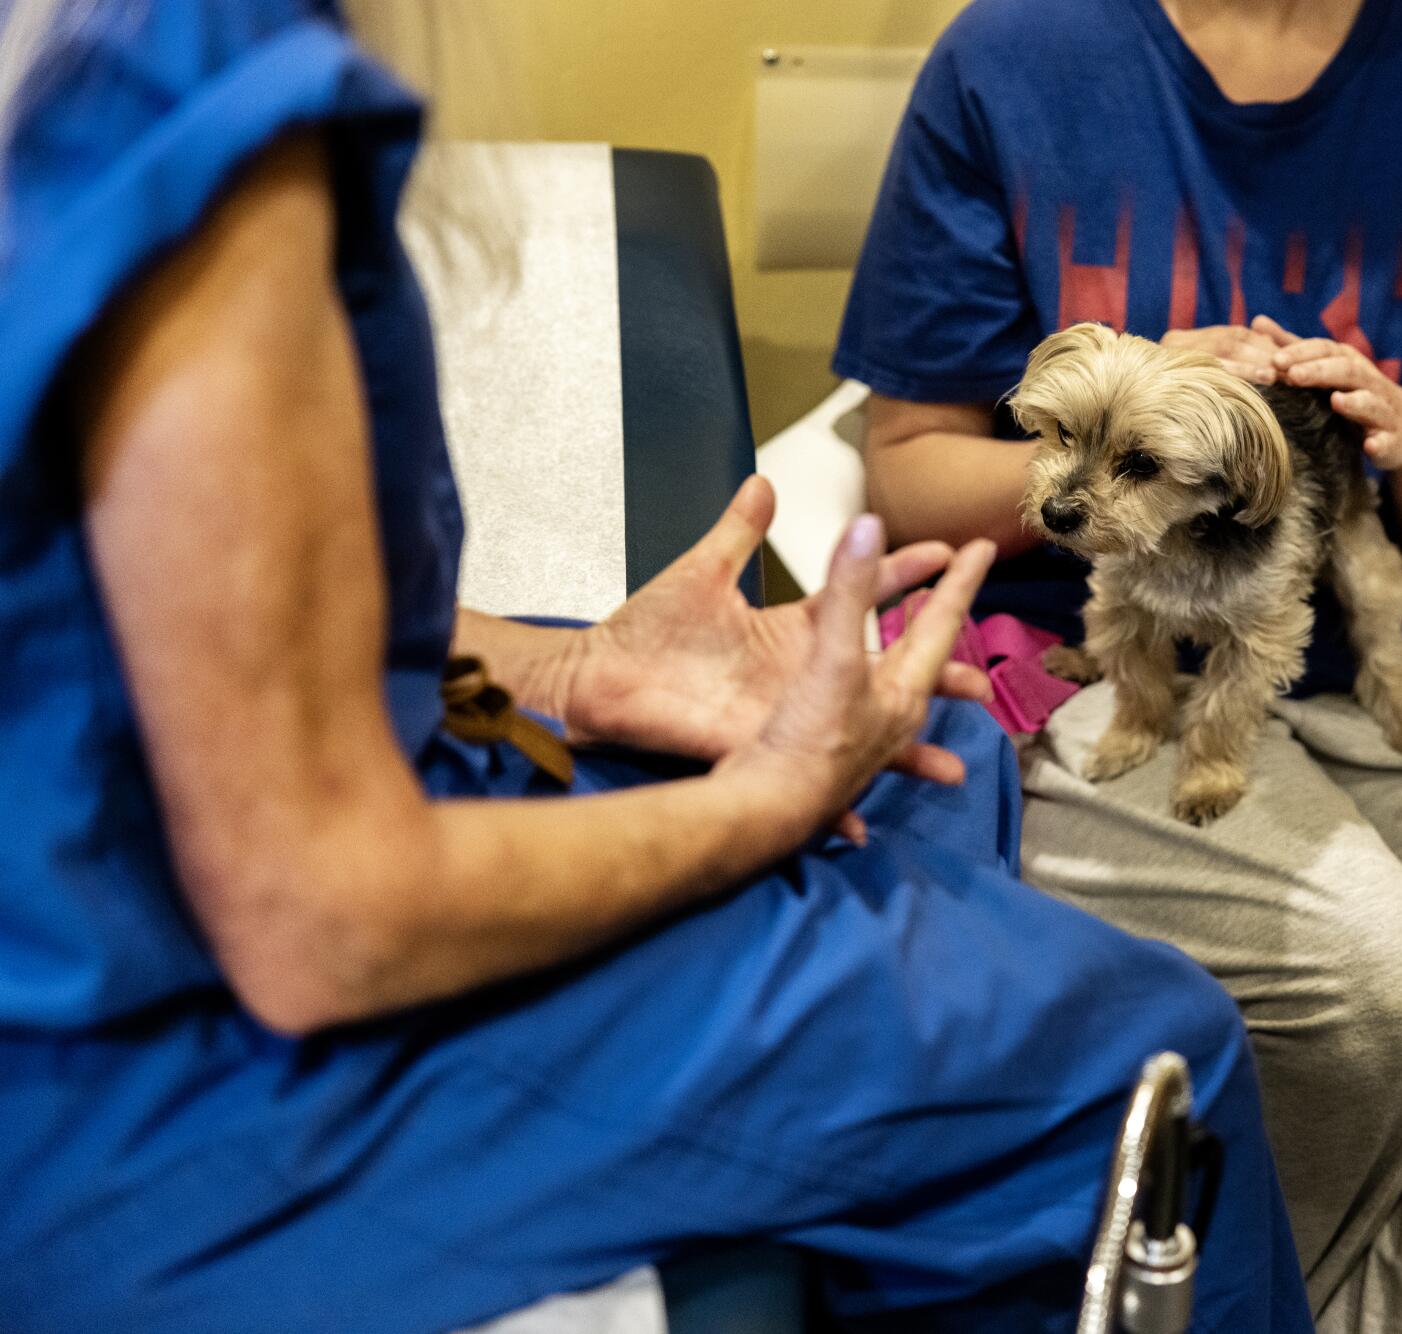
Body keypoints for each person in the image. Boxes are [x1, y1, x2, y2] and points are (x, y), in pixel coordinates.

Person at [0, 3, 1317, 1330]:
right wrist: (756, 807)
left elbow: (197, 601)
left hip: (227, 877)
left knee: (943, 760)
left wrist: (572, 668)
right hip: (159, 1055)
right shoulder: (194, 96)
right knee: (1155, 1055)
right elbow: (317, 915)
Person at [836, 0, 1402, 1328]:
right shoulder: (1014, 63)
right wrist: (1129, 437)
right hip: (1111, 654)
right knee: (1380, 995)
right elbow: (907, 471)